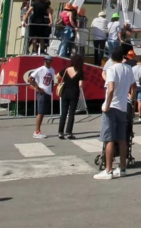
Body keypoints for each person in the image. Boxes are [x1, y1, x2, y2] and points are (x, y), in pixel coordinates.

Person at [94, 45, 135, 179]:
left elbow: (110, 89)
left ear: (112, 57)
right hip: (123, 106)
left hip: (112, 107)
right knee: (122, 139)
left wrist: (107, 104)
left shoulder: (112, 69)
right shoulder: (128, 69)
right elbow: (134, 86)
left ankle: (108, 169)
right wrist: (131, 99)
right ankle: (122, 167)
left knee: (109, 139)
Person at [23, 58, 55, 139]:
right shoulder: (40, 69)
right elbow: (30, 79)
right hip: (42, 93)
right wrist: (38, 88)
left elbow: (52, 81)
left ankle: (38, 130)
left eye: (50, 61)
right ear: (44, 61)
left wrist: (51, 90)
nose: (49, 62)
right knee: (40, 112)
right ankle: (36, 131)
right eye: (47, 61)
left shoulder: (52, 70)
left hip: (48, 93)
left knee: (43, 112)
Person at [56, 53, 84, 139]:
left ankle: (60, 132)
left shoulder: (66, 70)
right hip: (74, 94)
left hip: (65, 93)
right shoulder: (80, 72)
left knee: (63, 113)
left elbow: (57, 76)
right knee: (71, 113)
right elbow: (80, 85)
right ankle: (68, 132)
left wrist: (63, 82)